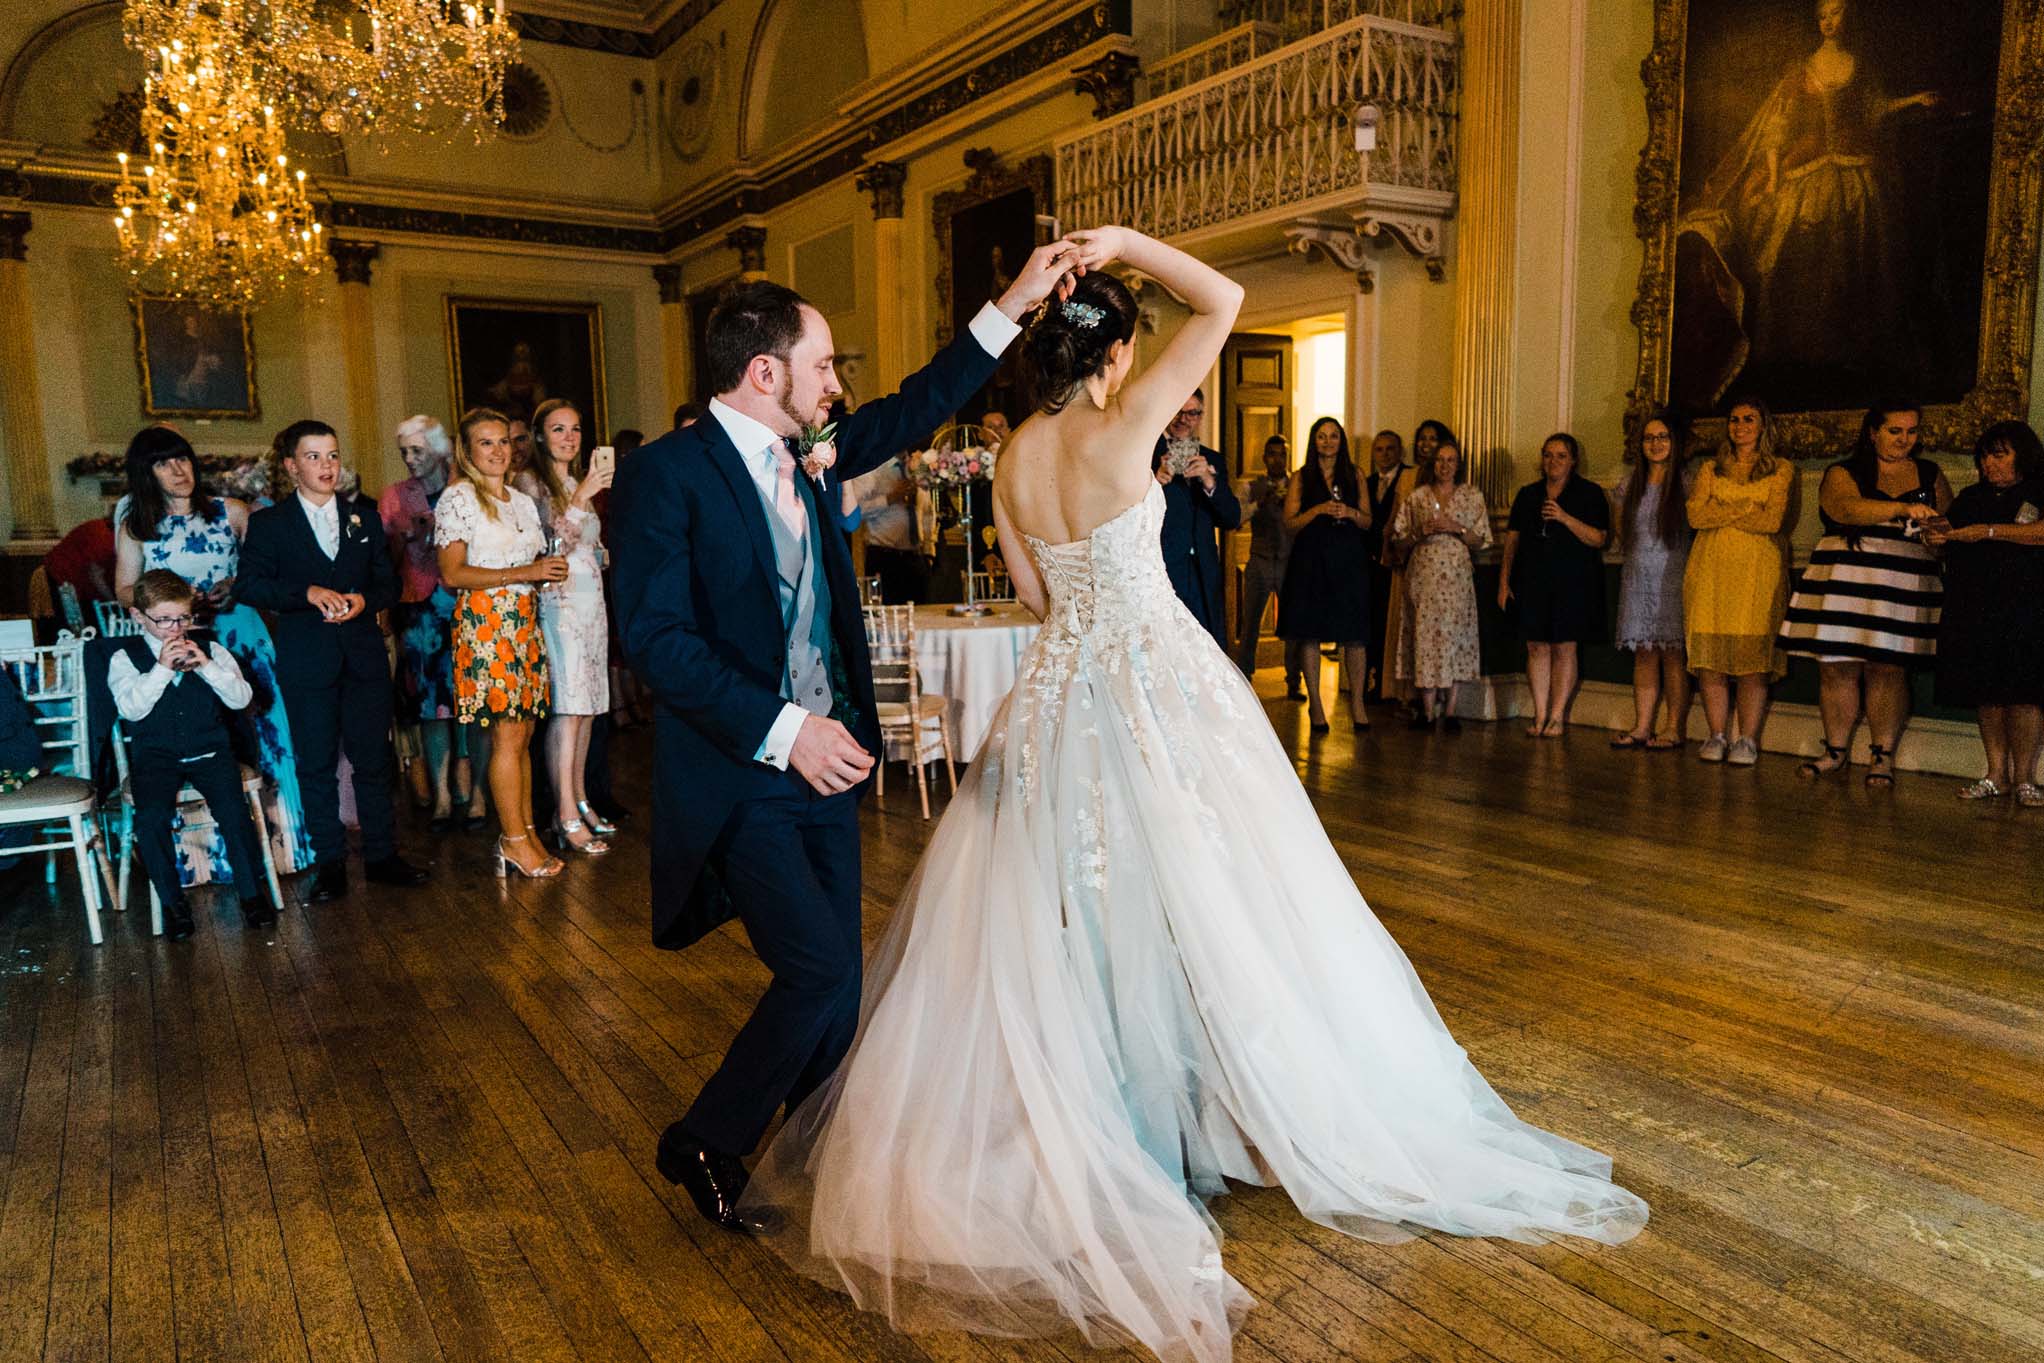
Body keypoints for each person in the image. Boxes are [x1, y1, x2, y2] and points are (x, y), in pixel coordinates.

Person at [739, 228, 1646, 1363]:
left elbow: (1033, 596)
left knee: (1072, 919)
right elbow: (1221, 300)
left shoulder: (1014, 455)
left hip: (1060, 692)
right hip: (1158, 687)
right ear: (1115, 352)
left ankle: (1126, 1124)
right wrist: (1122, 246)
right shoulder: (1127, 422)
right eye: (1128, 342)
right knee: (1225, 900)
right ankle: (1217, 1116)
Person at [609, 242, 1078, 1235]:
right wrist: (786, 731)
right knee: (819, 970)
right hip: (746, 770)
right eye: (823, 365)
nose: (838, 383)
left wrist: (1017, 301)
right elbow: (654, 638)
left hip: (838, 758)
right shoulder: (669, 475)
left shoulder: (813, 451)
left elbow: (921, 402)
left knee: (838, 978)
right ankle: (704, 1136)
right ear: (763, 372)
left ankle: (820, 1155)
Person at [238, 421, 428, 904]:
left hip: (363, 657)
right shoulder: (269, 524)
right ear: (291, 466)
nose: (327, 466)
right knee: (316, 764)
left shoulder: (363, 518)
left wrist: (366, 600)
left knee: (372, 760)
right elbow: (250, 585)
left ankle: (382, 856)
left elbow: (387, 583)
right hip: (307, 660)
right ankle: (330, 864)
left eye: (333, 456)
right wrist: (306, 593)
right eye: (314, 456)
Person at [114, 426, 313, 880]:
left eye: (182, 458)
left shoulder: (234, 512)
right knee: (201, 743)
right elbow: (125, 586)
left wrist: (236, 588)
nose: (178, 469)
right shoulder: (137, 526)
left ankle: (284, 852)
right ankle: (211, 860)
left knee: (268, 736)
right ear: (146, 474)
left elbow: (268, 572)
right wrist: (167, 600)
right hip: (179, 642)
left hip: (240, 634)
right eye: (163, 463)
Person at [1778, 402, 1949, 785]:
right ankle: (1835, 750)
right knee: (1837, 666)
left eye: (1912, 431)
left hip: (1903, 581)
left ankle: (1882, 755)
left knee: (1889, 668)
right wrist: (1903, 507)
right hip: (1847, 579)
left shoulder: (1930, 474)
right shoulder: (1843, 471)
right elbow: (1844, 508)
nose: (1905, 439)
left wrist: (1938, 538)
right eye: (1895, 431)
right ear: (1873, 432)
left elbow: (1945, 530)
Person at [434, 408, 569, 878]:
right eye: (485, 443)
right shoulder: (458, 499)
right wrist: (524, 573)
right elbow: (452, 574)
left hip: (524, 621)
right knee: (507, 737)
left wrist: (545, 574)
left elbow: (533, 562)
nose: (498, 451)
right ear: (467, 451)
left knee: (525, 735)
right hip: (487, 623)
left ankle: (526, 831)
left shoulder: (521, 501)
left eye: (503, 441)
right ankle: (512, 841)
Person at [108, 569, 275, 939]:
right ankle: (173, 905)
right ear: (139, 616)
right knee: (150, 820)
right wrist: (162, 669)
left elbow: (242, 699)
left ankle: (251, 895)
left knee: (234, 812)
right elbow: (130, 710)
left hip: (209, 751)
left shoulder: (211, 648)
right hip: (155, 756)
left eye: (183, 617)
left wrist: (208, 666)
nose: (175, 627)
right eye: (163, 619)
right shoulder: (124, 657)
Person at [515, 397, 617, 853]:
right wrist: (580, 499)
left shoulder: (576, 480)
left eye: (575, 429)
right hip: (559, 606)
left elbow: (582, 544)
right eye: (558, 429)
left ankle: (579, 798)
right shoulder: (530, 482)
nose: (569, 438)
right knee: (569, 708)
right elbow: (550, 545)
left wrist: (601, 554)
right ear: (539, 435)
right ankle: (563, 814)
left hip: (591, 601)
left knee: (590, 708)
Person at [1927, 420, 2044, 806]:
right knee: (1987, 693)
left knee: (2024, 693)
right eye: (1985, 456)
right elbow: (1949, 542)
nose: (1990, 464)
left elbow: (2040, 533)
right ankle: (1996, 773)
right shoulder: (1970, 497)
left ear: (2021, 456)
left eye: (2000, 455)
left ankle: (2026, 777)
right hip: (1976, 606)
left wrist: (1989, 531)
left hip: (2027, 606)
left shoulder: (2039, 490)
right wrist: (1936, 536)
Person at [1684, 396, 1794, 766]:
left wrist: (1724, 511)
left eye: (1749, 419)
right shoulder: (1710, 469)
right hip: (1711, 571)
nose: (1741, 426)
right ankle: (1715, 734)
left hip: (1757, 574)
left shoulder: (1780, 469)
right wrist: (1748, 507)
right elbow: (1696, 516)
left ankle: (1746, 739)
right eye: (1734, 419)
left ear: (1763, 425)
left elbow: (1773, 521)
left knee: (1752, 664)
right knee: (1710, 662)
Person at [378, 415, 474, 831]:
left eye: (417, 450)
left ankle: (472, 793)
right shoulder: (395, 497)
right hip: (418, 613)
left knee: (468, 703)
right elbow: (383, 566)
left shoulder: (465, 490)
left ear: (438, 449)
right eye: (404, 452)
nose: (410, 459)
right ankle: (439, 795)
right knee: (433, 707)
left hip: (466, 606)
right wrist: (406, 538)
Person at [1498, 433, 1610, 737]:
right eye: (1548, 455)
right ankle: (1540, 713)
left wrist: (1564, 517)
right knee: (1535, 646)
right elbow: (1512, 540)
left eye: (1561, 455)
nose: (1553, 461)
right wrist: (1504, 580)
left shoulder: (1589, 494)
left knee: (1564, 647)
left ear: (1573, 460)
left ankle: (1557, 716)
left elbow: (1599, 538)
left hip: (1573, 582)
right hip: (1533, 579)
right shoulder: (1528, 494)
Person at [1391, 437, 1492, 732]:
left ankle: (1451, 710)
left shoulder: (1471, 496)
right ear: (1432, 464)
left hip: (1457, 579)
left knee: (1455, 638)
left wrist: (1456, 528)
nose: (1445, 466)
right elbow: (1399, 540)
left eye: (1450, 460)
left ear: (1458, 464)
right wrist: (1419, 532)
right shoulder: (1417, 497)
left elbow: (1483, 539)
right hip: (1423, 577)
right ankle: (1426, 710)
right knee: (1424, 639)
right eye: (1440, 460)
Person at [1278, 416, 1372, 732]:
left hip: (1347, 560)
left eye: (1333, 436)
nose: (1328, 441)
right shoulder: (1301, 477)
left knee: (1355, 635)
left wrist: (1349, 512)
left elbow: (1368, 521)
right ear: (1313, 441)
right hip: (1311, 560)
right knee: (1310, 632)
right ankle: (1316, 705)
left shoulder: (1354, 474)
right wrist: (1317, 510)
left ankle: (1358, 703)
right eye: (1321, 436)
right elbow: (1289, 523)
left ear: (1341, 441)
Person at [1610, 411, 1695, 749]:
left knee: (1673, 652)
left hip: (1674, 573)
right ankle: (1642, 725)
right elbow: (1621, 531)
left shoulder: (1688, 483)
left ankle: (1673, 727)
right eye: (1649, 438)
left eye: (1662, 437)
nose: (1656, 444)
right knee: (1644, 652)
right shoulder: (1628, 485)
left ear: (1673, 443)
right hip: (1637, 574)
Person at [1152, 387, 1243, 652]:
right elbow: (1125, 512)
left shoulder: (1212, 459)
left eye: (1192, 413)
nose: (1184, 419)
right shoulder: (1146, 453)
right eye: (1178, 412)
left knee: (1207, 652)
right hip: (1163, 568)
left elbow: (1231, 517)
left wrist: (1209, 481)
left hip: (1204, 572)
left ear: (1200, 416)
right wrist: (1155, 483)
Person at [1236, 434, 1305, 692]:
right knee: (1250, 623)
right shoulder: (1251, 487)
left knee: (1293, 626)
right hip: (1260, 560)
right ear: (1264, 457)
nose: (1278, 459)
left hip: (1289, 560)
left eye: (1282, 454)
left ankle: (1294, 681)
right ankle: (1244, 677)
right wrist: (1259, 503)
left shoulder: (1299, 487)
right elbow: (1236, 519)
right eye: (1273, 454)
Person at [1364, 428, 1417, 701]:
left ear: (1400, 452)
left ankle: (1393, 686)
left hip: (1396, 562)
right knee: (1371, 621)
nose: (1384, 455)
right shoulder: (1366, 481)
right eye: (1379, 449)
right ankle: (1371, 680)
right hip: (1370, 562)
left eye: (1390, 449)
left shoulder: (1410, 479)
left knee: (1392, 623)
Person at [847, 454, 926, 603]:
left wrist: (929, 551)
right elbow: (854, 510)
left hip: (916, 557)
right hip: (885, 557)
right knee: (887, 618)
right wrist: (889, 499)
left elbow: (927, 512)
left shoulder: (919, 467)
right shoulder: (873, 467)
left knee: (920, 616)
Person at [41, 511, 117, 618]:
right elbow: (96, 577)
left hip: (75, 584)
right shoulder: (104, 538)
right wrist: (114, 603)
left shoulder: (102, 529)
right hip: (60, 578)